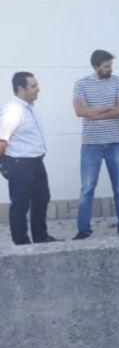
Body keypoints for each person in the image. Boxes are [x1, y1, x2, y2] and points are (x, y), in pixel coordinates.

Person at [73, 50, 119, 239]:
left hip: (115, 142)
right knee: (87, 187)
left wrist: (95, 114)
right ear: (95, 67)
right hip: (91, 144)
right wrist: (107, 107)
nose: (110, 69)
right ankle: (83, 229)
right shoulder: (81, 84)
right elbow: (78, 110)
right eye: (106, 66)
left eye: (111, 66)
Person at [0, 72, 58, 244]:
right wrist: (5, 167)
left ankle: (40, 237)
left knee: (41, 199)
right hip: (20, 165)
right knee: (20, 204)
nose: (38, 89)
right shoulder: (12, 111)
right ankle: (21, 242)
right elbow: (2, 141)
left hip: (36, 163)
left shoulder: (29, 108)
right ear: (20, 89)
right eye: (33, 86)